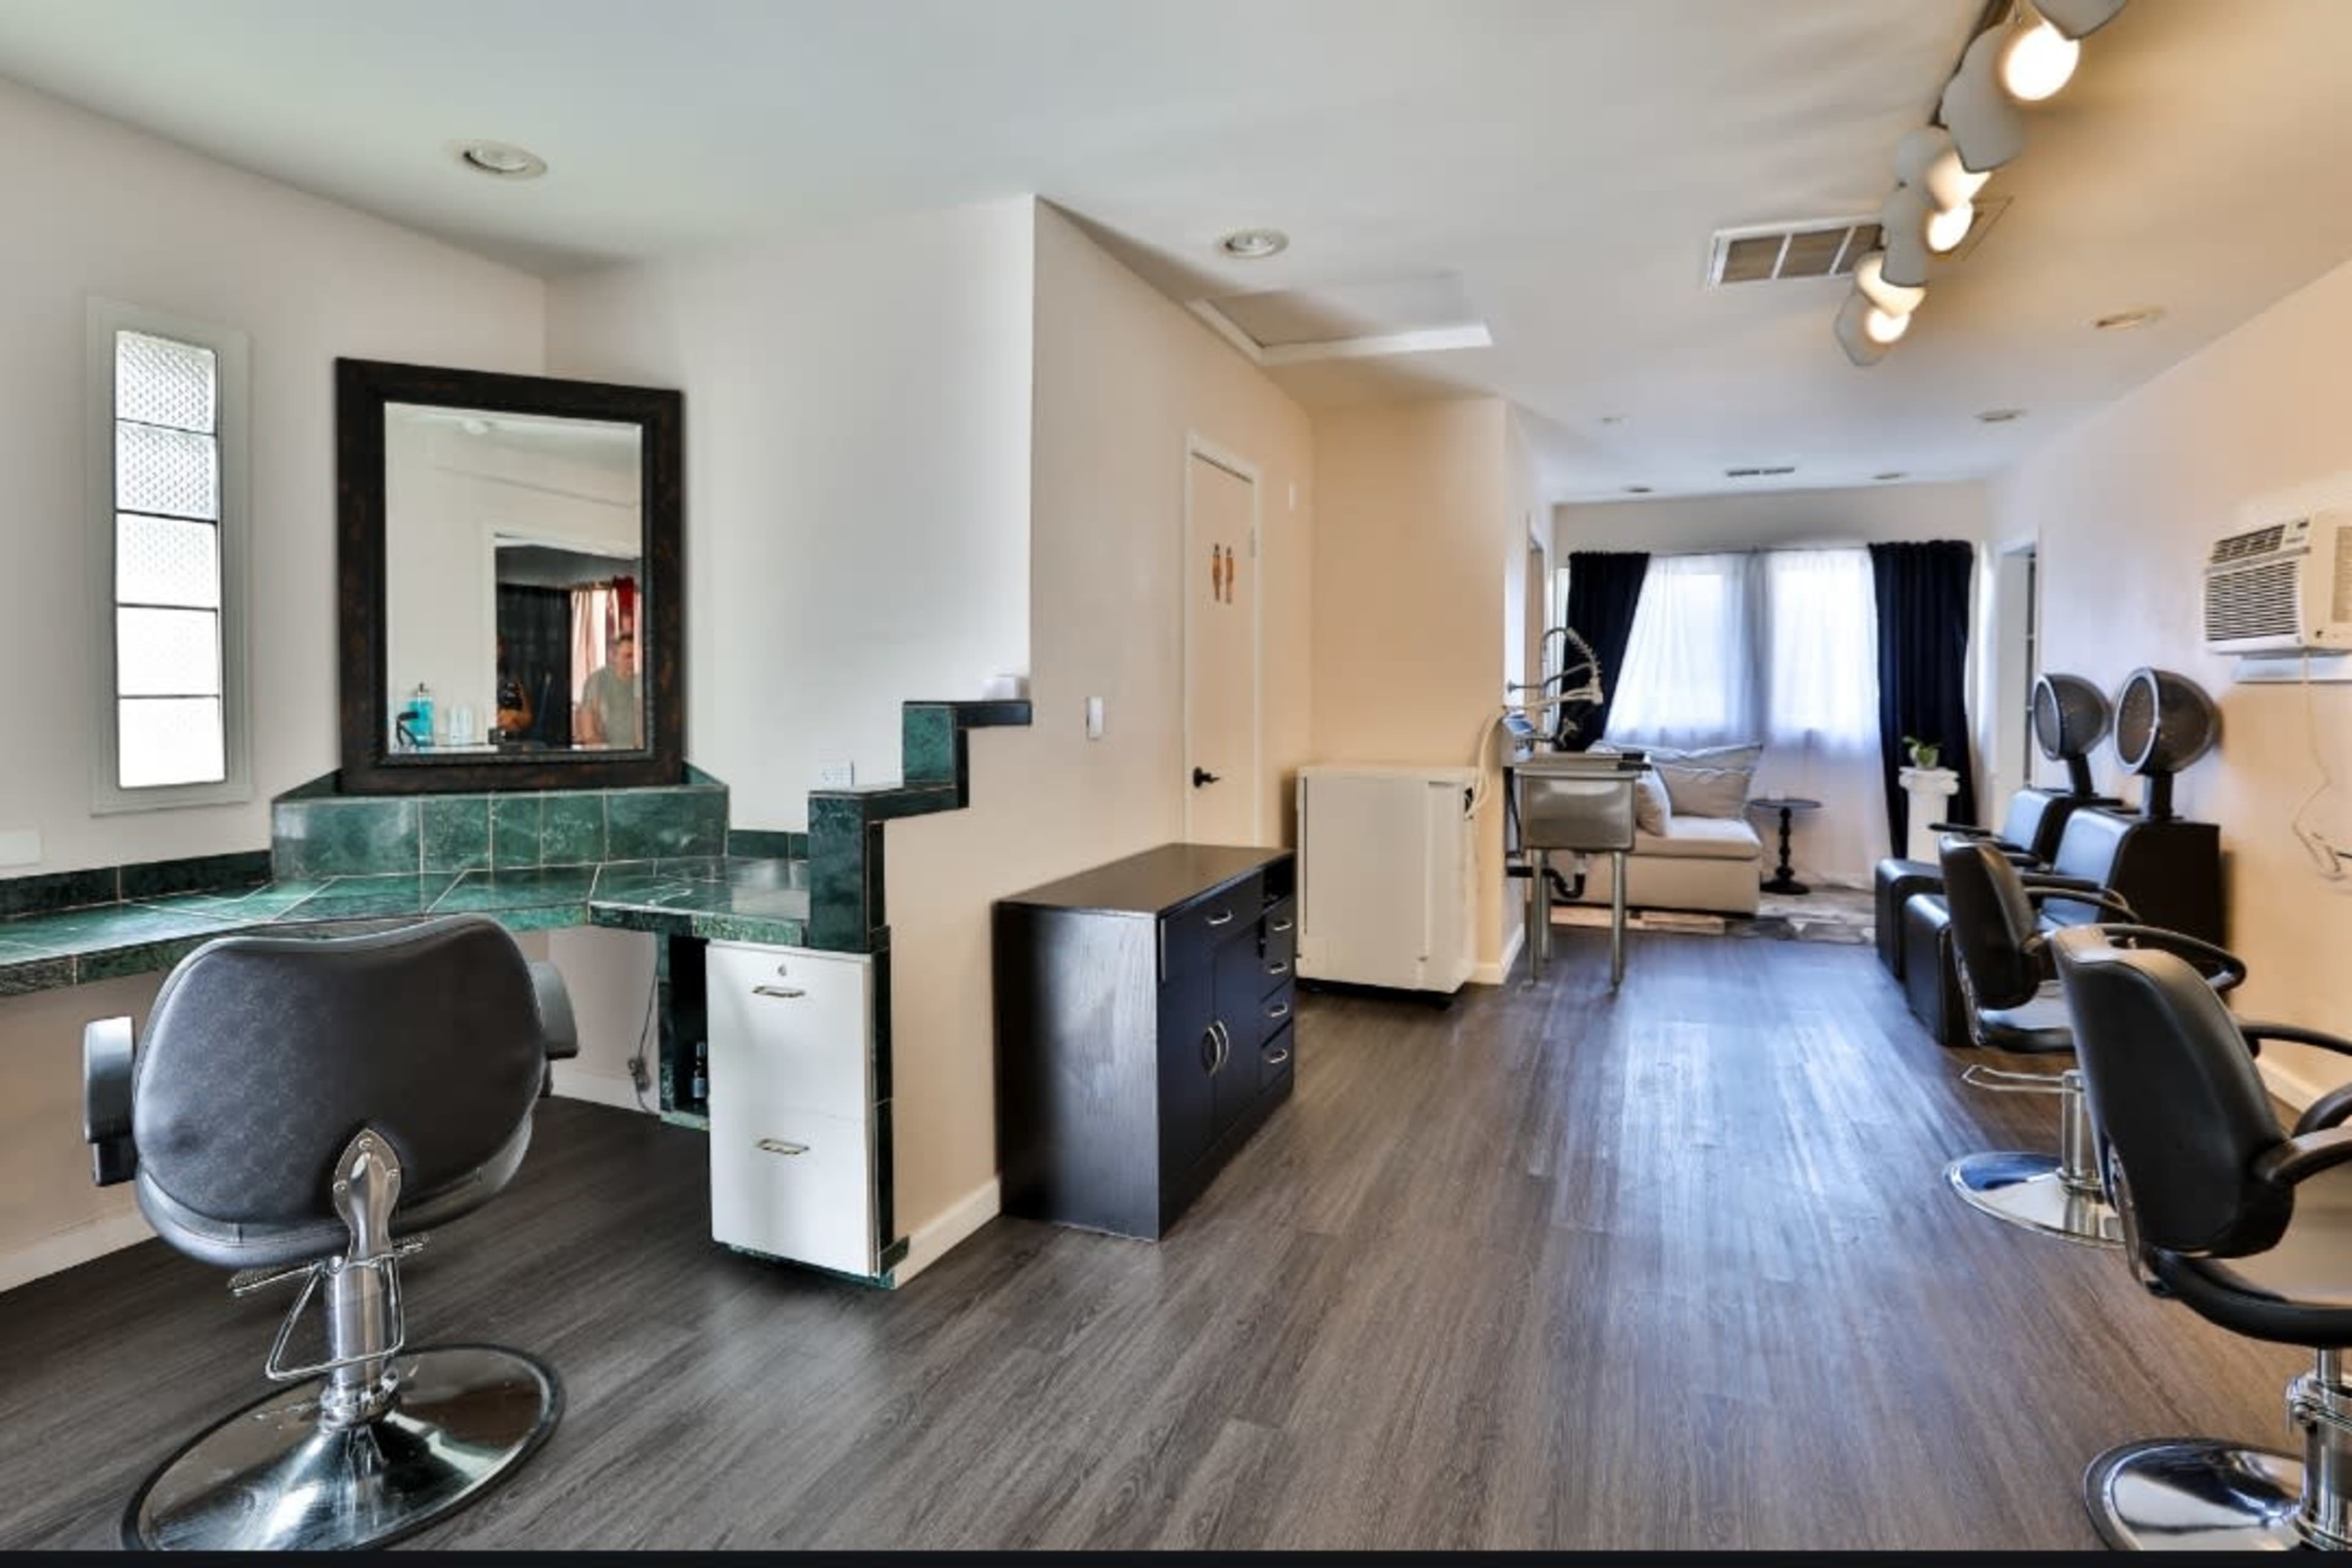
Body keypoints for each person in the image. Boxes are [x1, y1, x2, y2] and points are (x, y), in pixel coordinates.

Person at [574, 630, 642, 748]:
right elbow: (588, 732)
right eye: (628, 656)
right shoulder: (596, 681)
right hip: (608, 754)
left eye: (636, 656)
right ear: (614, 656)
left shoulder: (643, 681)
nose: (633, 661)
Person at [494, 636, 533, 741]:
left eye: (497, 646)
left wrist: (513, 714)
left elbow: (527, 719)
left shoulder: (510, 679)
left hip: (509, 743)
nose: (494, 650)